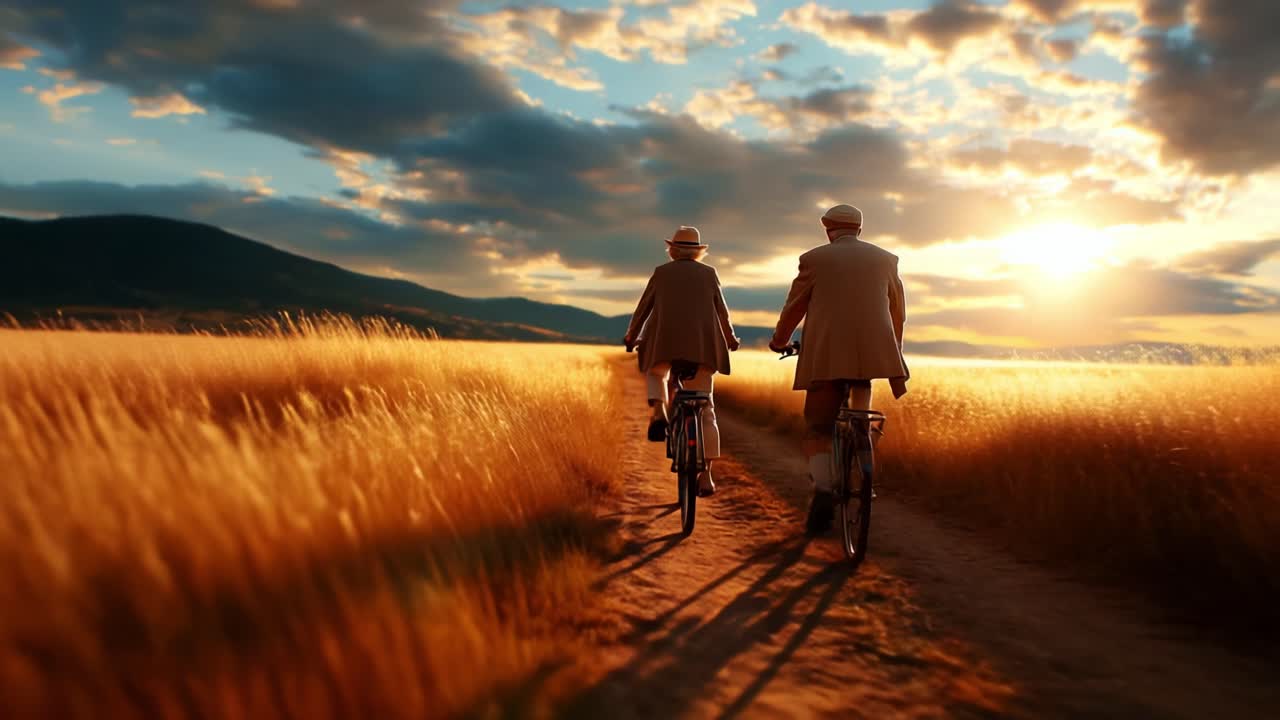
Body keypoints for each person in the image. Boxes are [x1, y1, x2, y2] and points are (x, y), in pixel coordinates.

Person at [768, 204, 909, 536]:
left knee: (818, 427)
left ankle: (823, 491)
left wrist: (779, 340)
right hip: (874, 354)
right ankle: (864, 457)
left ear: (828, 229)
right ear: (859, 229)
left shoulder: (814, 258)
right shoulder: (887, 259)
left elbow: (795, 307)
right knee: (862, 411)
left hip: (827, 355)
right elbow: (898, 312)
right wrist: (893, 353)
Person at [625, 226, 741, 497]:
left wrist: (632, 336)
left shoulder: (661, 273)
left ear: (673, 249)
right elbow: (721, 312)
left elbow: (643, 308)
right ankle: (707, 476)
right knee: (706, 409)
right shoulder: (709, 274)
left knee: (656, 373)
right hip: (702, 349)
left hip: (665, 344)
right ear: (699, 251)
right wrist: (731, 339)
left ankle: (658, 412)